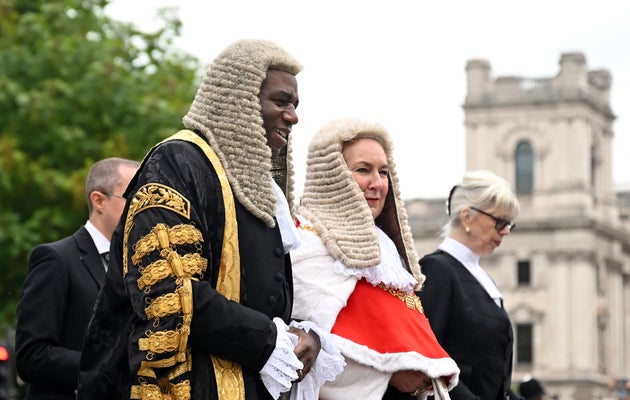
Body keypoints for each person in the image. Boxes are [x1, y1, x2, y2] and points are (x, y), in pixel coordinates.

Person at [77, 39, 337, 400]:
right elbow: (170, 292)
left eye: (294, 105)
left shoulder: (251, 185)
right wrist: (268, 340)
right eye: (281, 101)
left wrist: (300, 335)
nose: (292, 116)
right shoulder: (177, 163)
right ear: (239, 99)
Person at [290, 118, 460, 400]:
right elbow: (302, 350)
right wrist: (387, 373)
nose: (378, 184)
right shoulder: (306, 240)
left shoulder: (390, 251)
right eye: (363, 170)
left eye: (383, 172)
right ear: (332, 175)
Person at [15, 157, 140, 400]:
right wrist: (109, 367)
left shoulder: (138, 269)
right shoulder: (55, 259)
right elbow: (32, 355)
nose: (141, 210)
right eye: (132, 199)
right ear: (98, 200)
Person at [417, 170, 521, 400]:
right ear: (467, 217)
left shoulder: (482, 278)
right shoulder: (438, 270)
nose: (505, 231)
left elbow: (495, 377)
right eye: (500, 222)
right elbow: (428, 356)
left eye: (509, 224)